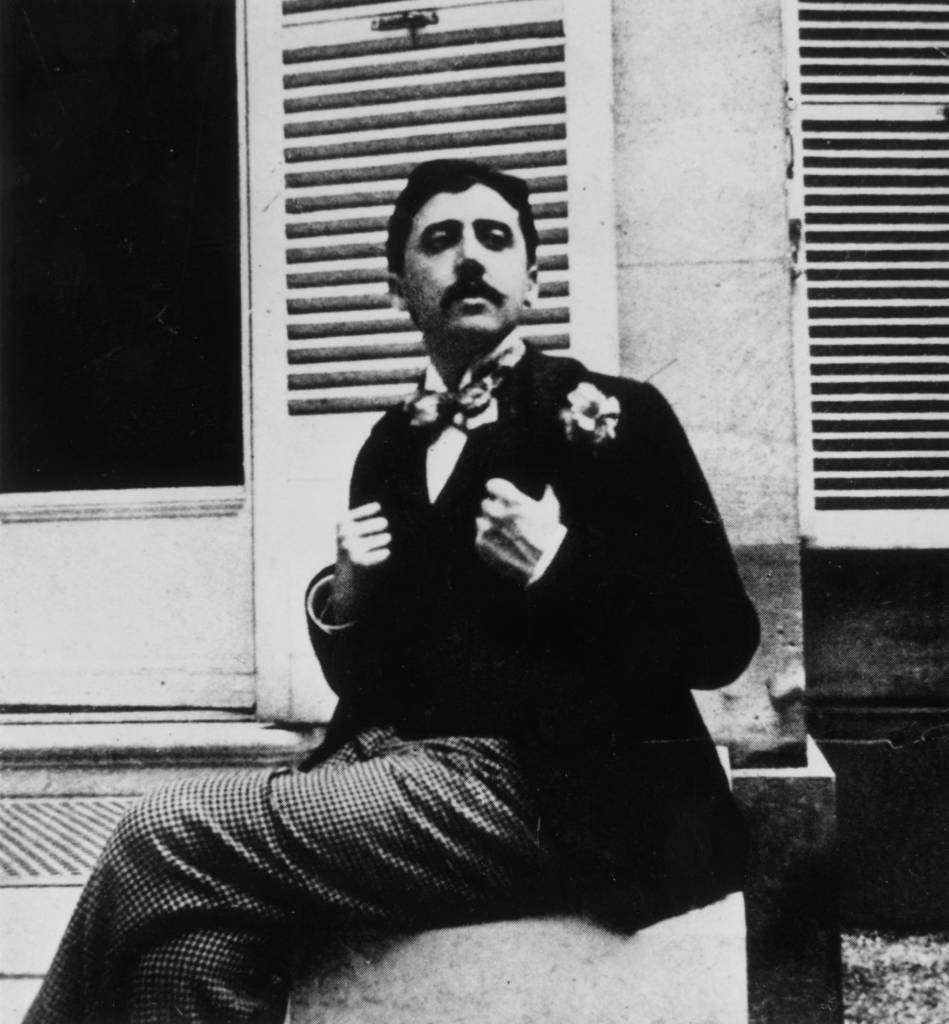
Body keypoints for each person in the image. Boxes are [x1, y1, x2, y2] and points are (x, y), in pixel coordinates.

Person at [25, 159, 759, 1024]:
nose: (471, 259)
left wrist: (558, 563)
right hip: (402, 772)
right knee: (188, 954)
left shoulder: (608, 414)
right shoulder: (391, 445)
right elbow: (378, 681)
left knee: (161, 833)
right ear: (398, 287)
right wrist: (347, 598)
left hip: (556, 792)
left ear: (534, 274)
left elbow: (720, 639)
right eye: (439, 241)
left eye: (495, 238)